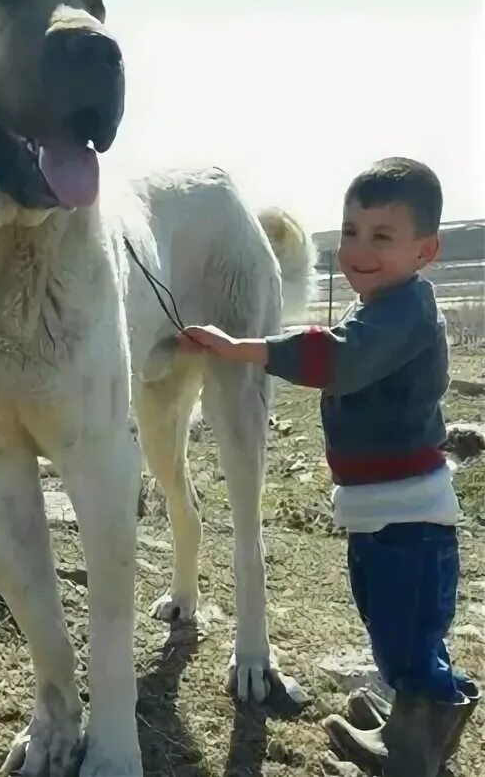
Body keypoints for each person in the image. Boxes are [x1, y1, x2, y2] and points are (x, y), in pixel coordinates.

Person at [178, 157, 480, 776]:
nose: (359, 251)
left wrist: (245, 348)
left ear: (426, 251)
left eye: (382, 237)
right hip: (381, 511)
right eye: (349, 232)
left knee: (409, 631)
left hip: (410, 516)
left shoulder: (406, 314)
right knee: (390, 624)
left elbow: (338, 361)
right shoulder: (380, 305)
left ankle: (416, 745)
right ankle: (408, 717)